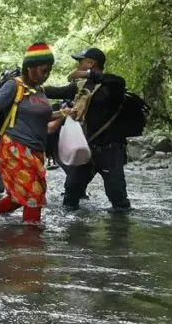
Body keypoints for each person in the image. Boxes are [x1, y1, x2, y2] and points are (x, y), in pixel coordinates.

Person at [0, 43, 70, 224]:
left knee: (19, 197)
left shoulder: (40, 90)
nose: (46, 75)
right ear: (30, 69)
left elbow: (43, 117)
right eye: (43, 70)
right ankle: (31, 242)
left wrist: (64, 114)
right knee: (34, 197)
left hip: (36, 150)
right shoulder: (13, 85)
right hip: (15, 148)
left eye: (49, 71)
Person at [44, 47, 131, 212]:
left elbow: (118, 81)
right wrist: (33, 86)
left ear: (91, 63)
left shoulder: (112, 87)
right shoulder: (80, 86)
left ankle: (120, 235)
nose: (77, 65)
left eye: (80, 62)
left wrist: (89, 74)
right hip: (85, 149)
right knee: (70, 195)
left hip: (110, 150)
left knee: (118, 200)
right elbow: (56, 91)